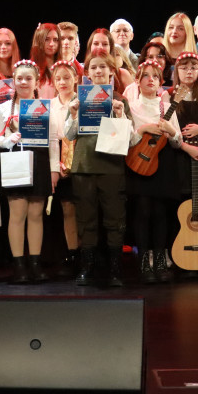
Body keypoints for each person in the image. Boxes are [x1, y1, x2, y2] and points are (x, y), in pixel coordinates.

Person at [64, 49, 139, 287]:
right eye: (93, 67)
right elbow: (68, 134)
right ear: (87, 73)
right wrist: (74, 114)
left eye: (103, 67)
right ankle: (87, 268)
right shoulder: (78, 99)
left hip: (111, 167)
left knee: (114, 219)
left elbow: (132, 140)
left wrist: (120, 115)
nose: (98, 71)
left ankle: (115, 270)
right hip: (84, 166)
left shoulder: (120, 100)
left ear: (111, 71)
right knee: (86, 219)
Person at [0, 59, 59, 283]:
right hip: (15, 162)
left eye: (28, 78)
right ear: (13, 81)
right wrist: (7, 141)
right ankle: (19, 266)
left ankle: (35, 264)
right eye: (19, 78)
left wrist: (54, 171)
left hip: (40, 162)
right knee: (17, 215)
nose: (23, 82)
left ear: (36, 82)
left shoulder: (44, 107)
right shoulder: (4, 108)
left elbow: (53, 140)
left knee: (35, 215)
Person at [125, 59, 182, 283]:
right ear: (138, 81)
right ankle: (143, 261)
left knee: (160, 212)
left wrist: (172, 132)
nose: (150, 80)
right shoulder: (132, 106)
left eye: (155, 76)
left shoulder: (166, 107)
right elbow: (128, 139)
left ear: (160, 82)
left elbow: (177, 141)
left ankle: (159, 259)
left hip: (163, 162)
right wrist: (142, 129)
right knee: (143, 211)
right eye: (146, 76)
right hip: (139, 161)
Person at [169, 52, 198, 276]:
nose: (189, 72)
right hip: (179, 155)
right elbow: (167, 129)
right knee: (181, 203)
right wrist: (184, 146)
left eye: (194, 68)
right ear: (176, 71)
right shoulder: (169, 96)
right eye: (184, 68)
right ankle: (183, 255)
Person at [49, 60, 82, 276]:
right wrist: (55, 166)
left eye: (67, 78)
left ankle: (87, 254)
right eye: (58, 78)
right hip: (59, 157)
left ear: (76, 79)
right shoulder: (50, 105)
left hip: (82, 156)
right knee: (68, 209)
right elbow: (51, 138)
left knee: (85, 210)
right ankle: (72, 254)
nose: (62, 82)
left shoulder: (83, 102)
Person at [29, 23, 60, 98]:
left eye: (55, 40)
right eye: (47, 39)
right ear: (39, 40)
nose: (51, 44)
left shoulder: (63, 67)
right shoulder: (30, 68)